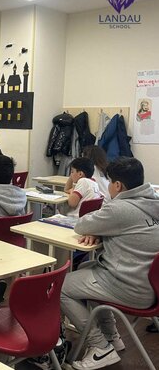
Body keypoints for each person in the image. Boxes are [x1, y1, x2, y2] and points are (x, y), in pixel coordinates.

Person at [61, 157, 159, 370]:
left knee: (62, 287)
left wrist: (97, 230)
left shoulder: (120, 208)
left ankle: (100, 346)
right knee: (85, 268)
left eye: (110, 183)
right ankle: (111, 335)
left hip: (130, 288)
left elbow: (81, 225)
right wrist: (102, 232)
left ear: (118, 185)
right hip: (150, 286)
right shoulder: (154, 202)